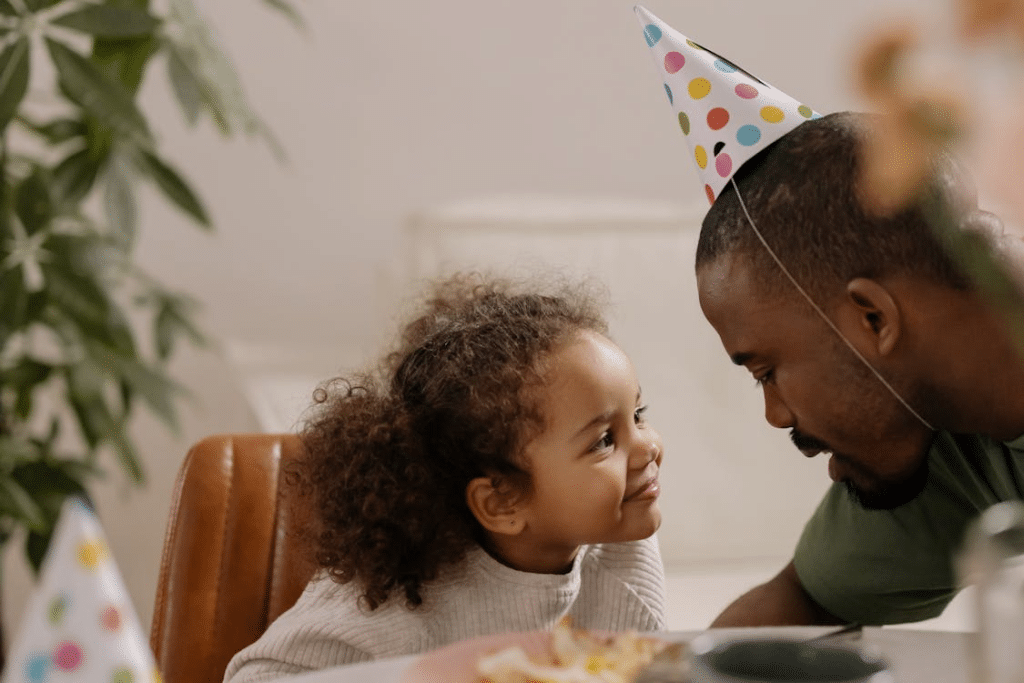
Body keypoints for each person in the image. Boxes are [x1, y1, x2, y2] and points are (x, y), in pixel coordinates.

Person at [634, 8, 1024, 627]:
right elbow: (794, 608)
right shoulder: (943, 443)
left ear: (872, 317)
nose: (776, 415)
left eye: (765, 371)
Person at [223, 273, 666, 682]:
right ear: (501, 503)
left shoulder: (623, 551)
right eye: (604, 440)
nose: (647, 446)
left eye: (639, 415)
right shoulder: (392, 604)